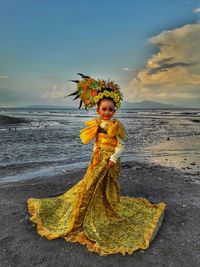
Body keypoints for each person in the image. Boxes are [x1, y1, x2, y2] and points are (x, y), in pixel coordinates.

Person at [27, 74, 166, 256]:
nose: (107, 112)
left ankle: (104, 209)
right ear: (98, 110)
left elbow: (121, 145)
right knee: (90, 185)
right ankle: (85, 213)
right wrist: (95, 155)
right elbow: (96, 142)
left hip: (111, 162)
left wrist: (113, 159)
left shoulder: (116, 126)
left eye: (110, 109)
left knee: (106, 187)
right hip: (98, 160)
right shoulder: (97, 124)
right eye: (104, 109)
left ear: (114, 110)